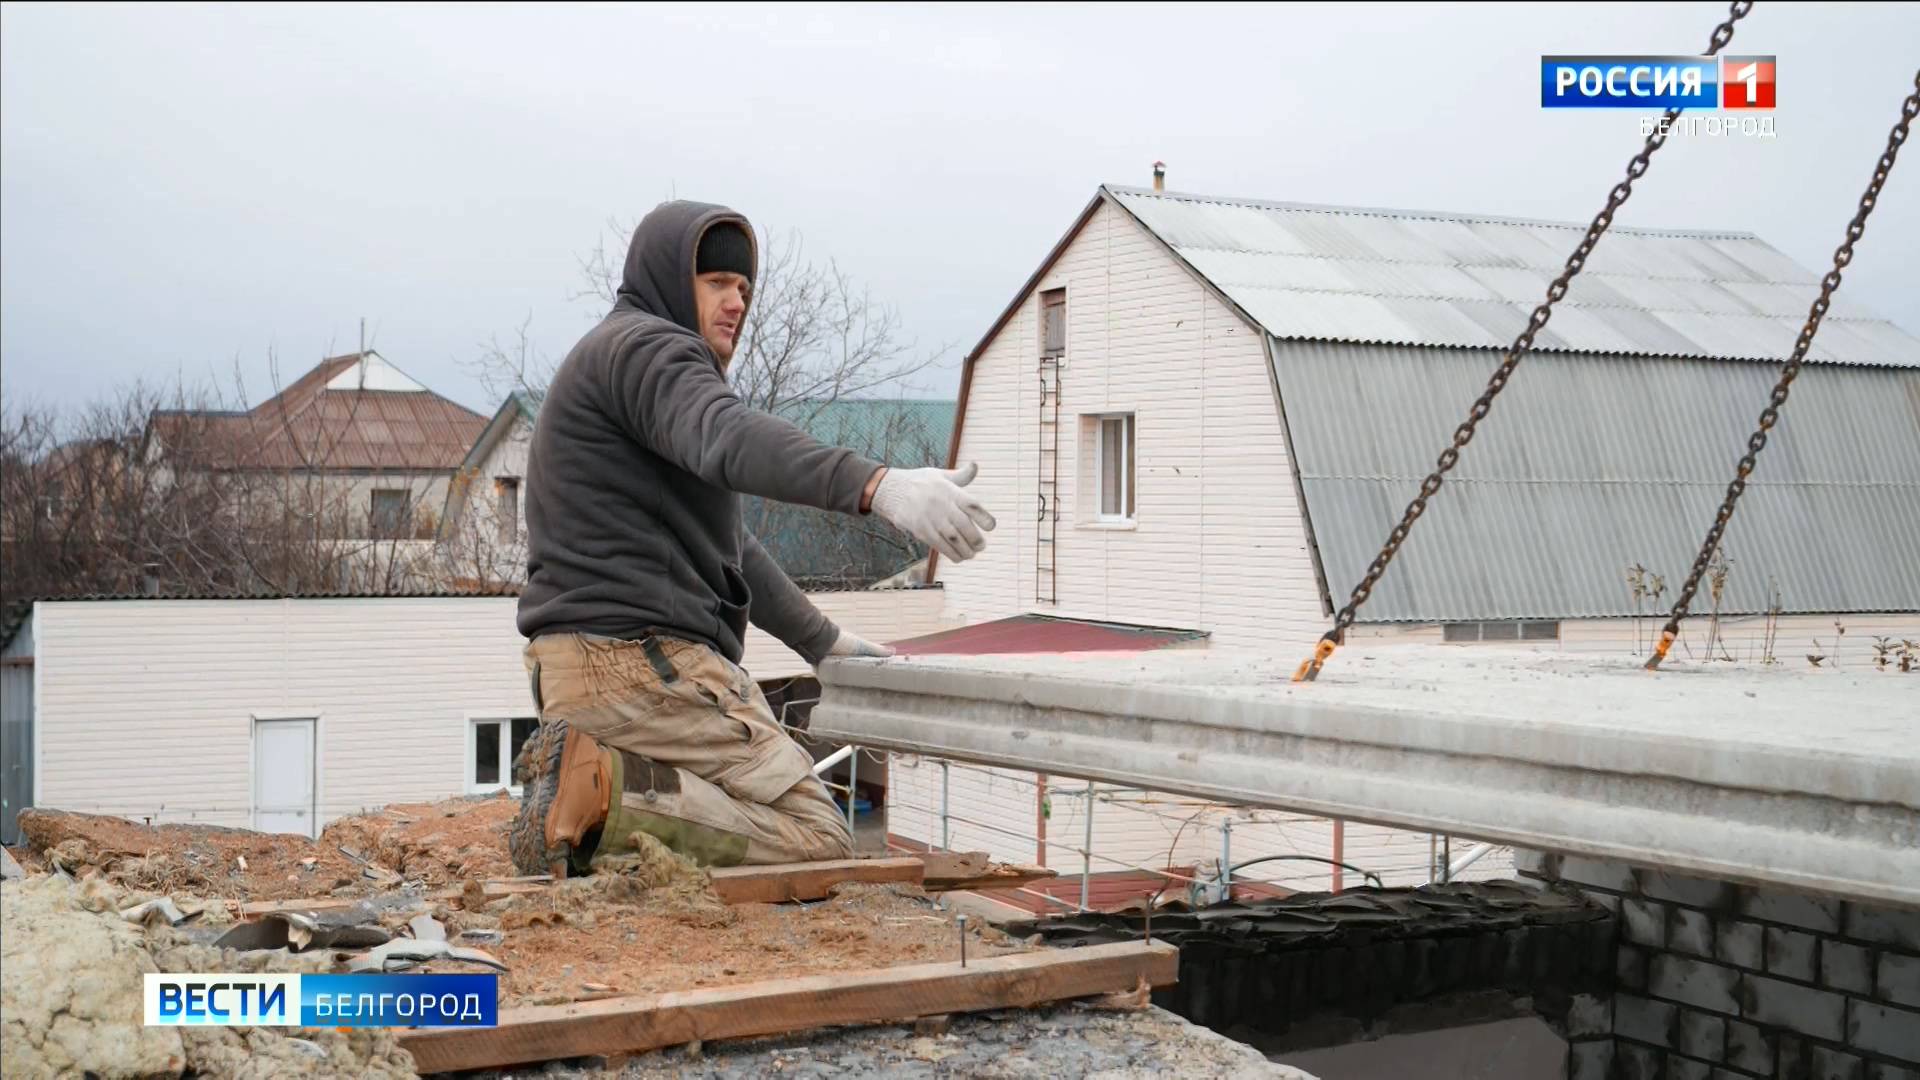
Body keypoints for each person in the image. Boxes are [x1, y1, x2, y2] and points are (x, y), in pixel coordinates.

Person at [509, 200, 994, 876]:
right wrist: (878, 485)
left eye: (743, 288)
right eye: (715, 283)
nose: (735, 301)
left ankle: (598, 793)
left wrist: (823, 644)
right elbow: (729, 437)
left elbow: (727, 545)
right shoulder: (653, 349)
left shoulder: (618, 363)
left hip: (587, 669)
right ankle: (603, 796)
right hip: (639, 666)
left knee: (750, 821)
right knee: (816, 835)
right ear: (670, 282)